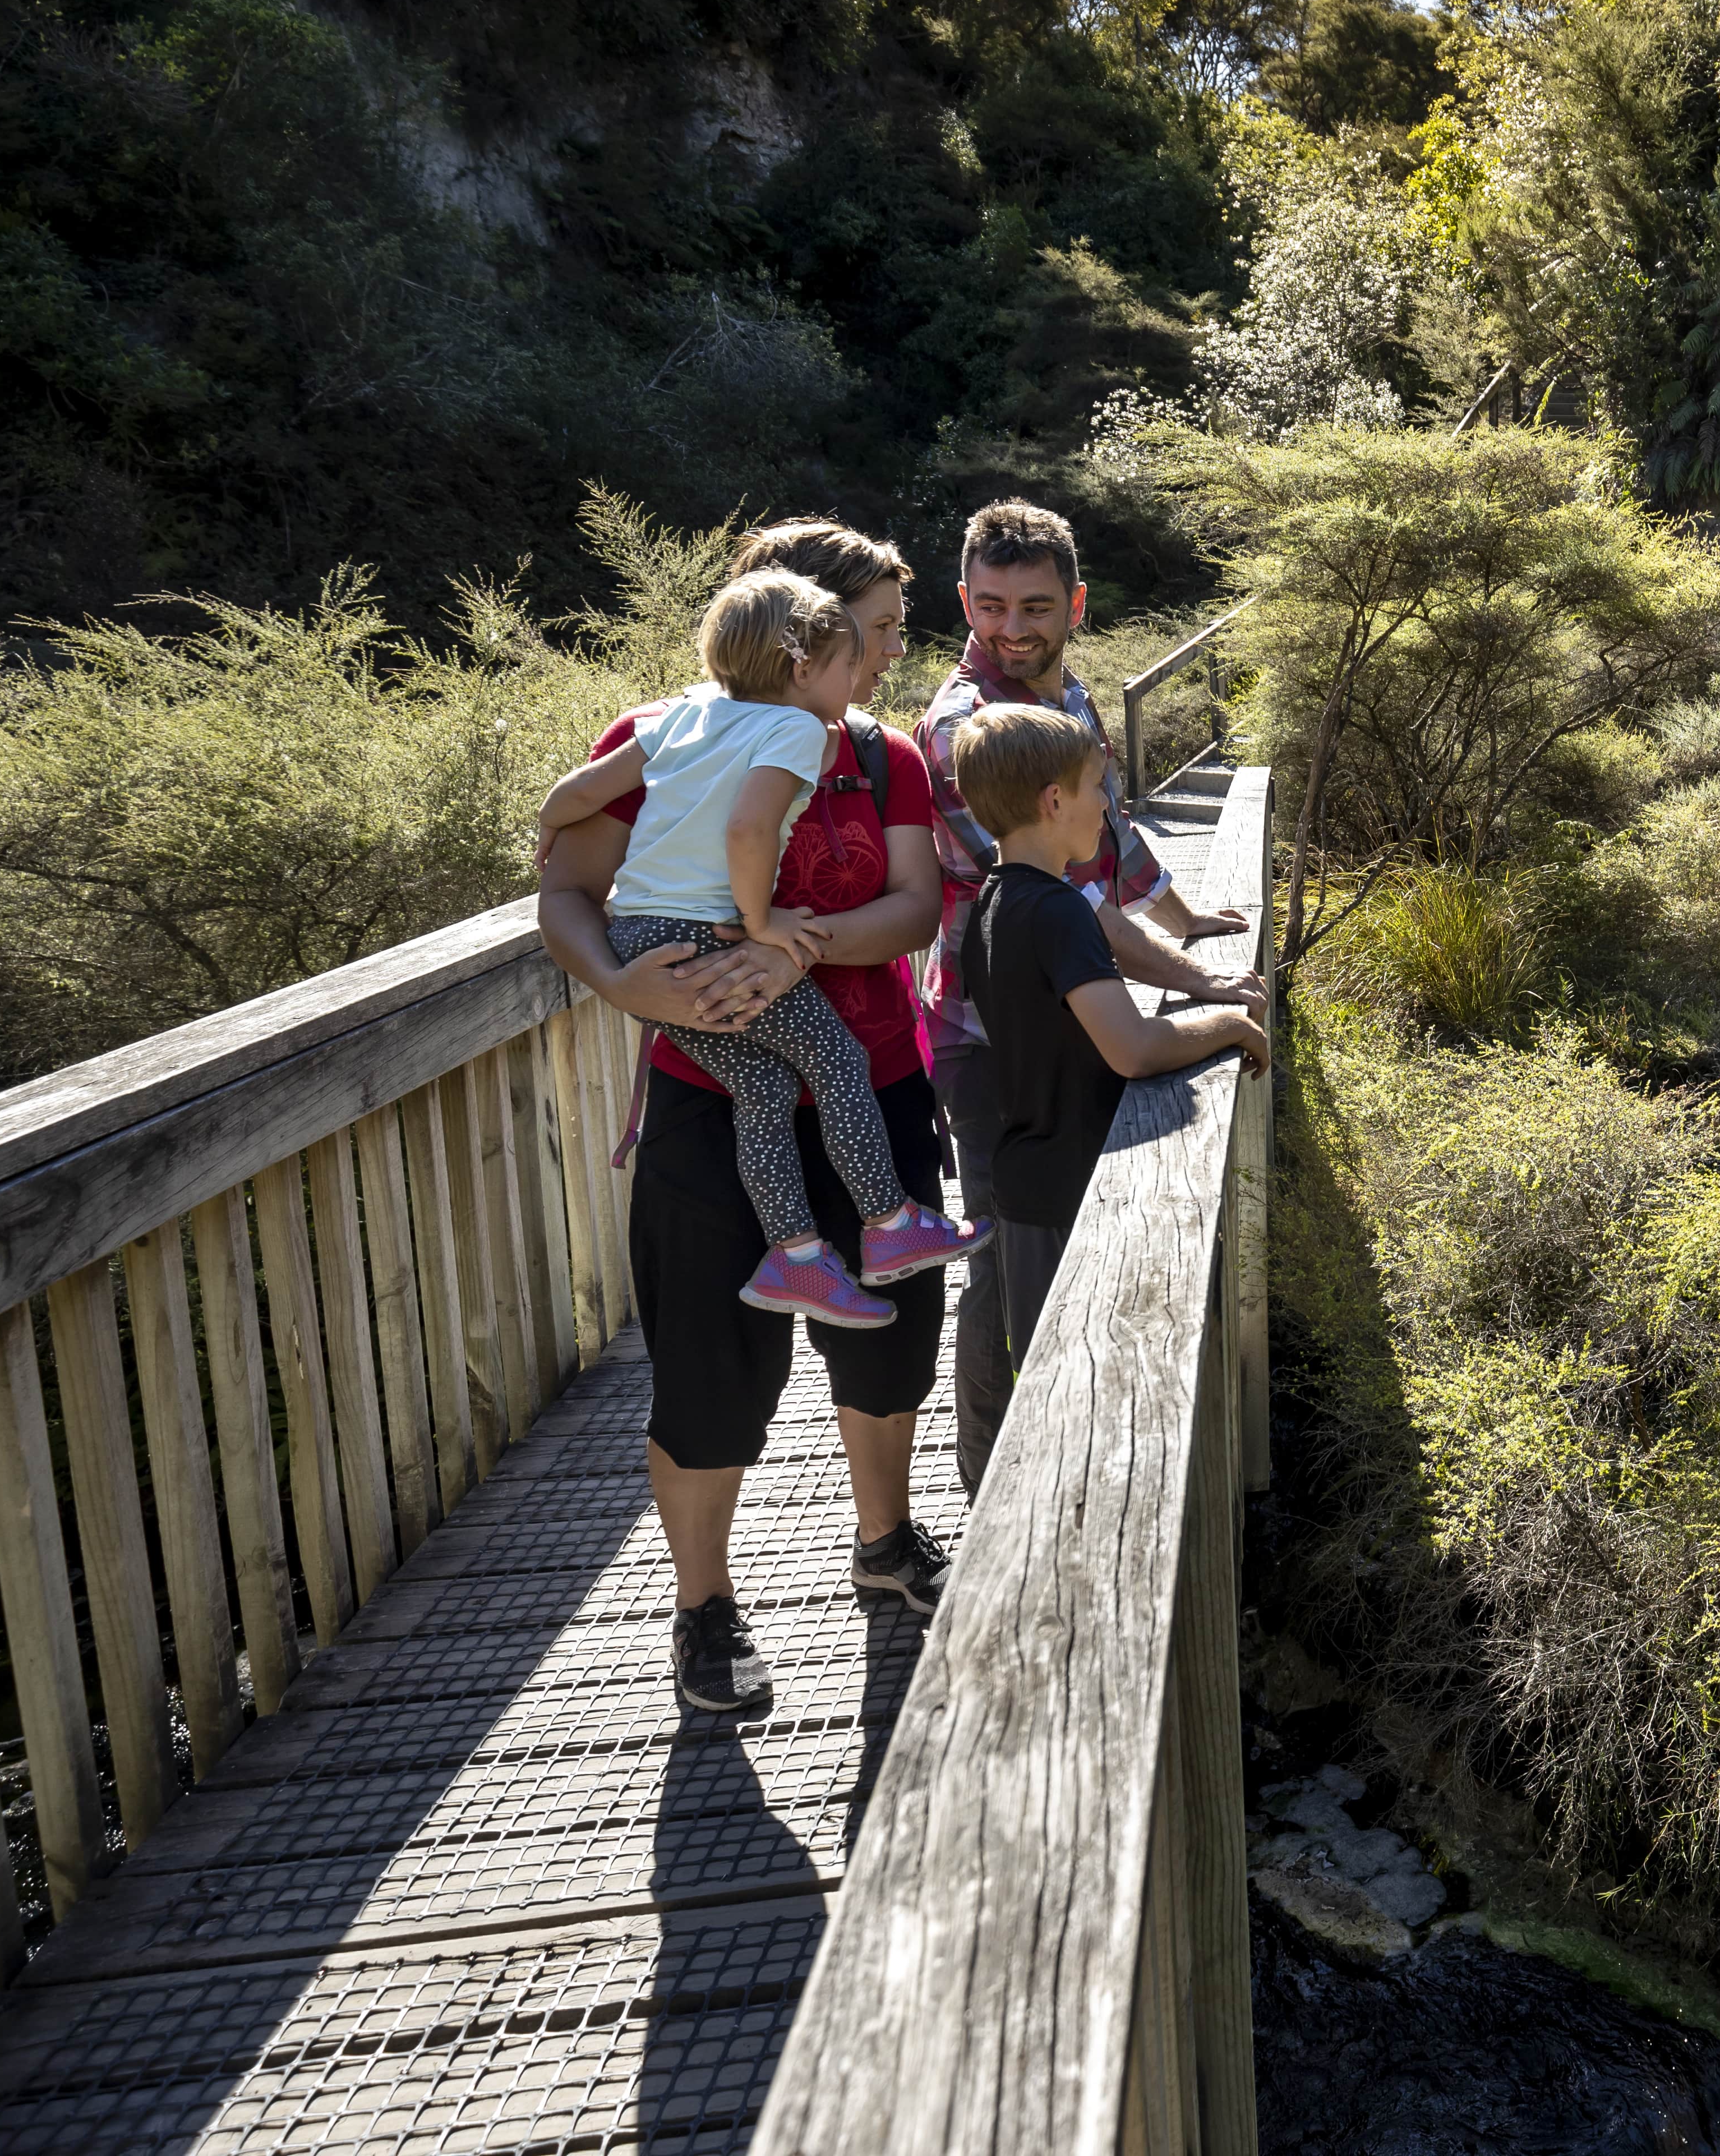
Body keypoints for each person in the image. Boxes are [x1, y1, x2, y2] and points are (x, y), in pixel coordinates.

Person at [534, 519, 956, 1715]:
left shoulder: (884, 757)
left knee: (887, 1338)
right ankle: (705, 1607)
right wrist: (621, 983)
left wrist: (798, 951)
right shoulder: (666, 731)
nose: (881, 663)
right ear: (794, 637)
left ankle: (886, 1541)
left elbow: (917, 906)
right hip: (705, 1099)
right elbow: (565, 887)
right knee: (712, 1365)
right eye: (868, 637)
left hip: (872, 1088)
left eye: (889, 636)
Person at [918, 497, 1263, 1496]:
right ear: (964, 601)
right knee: (999, 1267)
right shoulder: (968, 733)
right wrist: (1196, 984)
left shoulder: (1070, 705)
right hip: (995, 1042)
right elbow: (1068, 904)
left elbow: (1113, 844)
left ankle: (1086, 1461)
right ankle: (991, 1486)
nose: (1010, 629)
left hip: (1072, 1018)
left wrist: (1185, 915)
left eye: (1033, 607)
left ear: (1075, 604)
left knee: (1081, 1242)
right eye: (989, 607)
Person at [537, 570, 986, 1328]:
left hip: (642, 936)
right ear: (802, 667)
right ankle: (887, 1226)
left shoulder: (686, 713)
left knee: (765, 1092)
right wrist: (766, 922)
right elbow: (750, 831)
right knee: (837, 1060)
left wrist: (549, 822)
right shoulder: (796, 729)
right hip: (708, 933)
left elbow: (580, 791)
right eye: (852, 658)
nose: (864, 674)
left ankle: (798, 1258)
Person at [946, 704, 1269, 1347]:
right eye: (1099, 786)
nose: (1108, 806)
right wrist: (1229, 1023)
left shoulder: (992, 902)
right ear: (1055, 799)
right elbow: (1133, 1049)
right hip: (1073, 1191)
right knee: (1084, 1364)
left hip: (1029, 1186)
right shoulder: (1058, 911)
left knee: (1041, 1365)